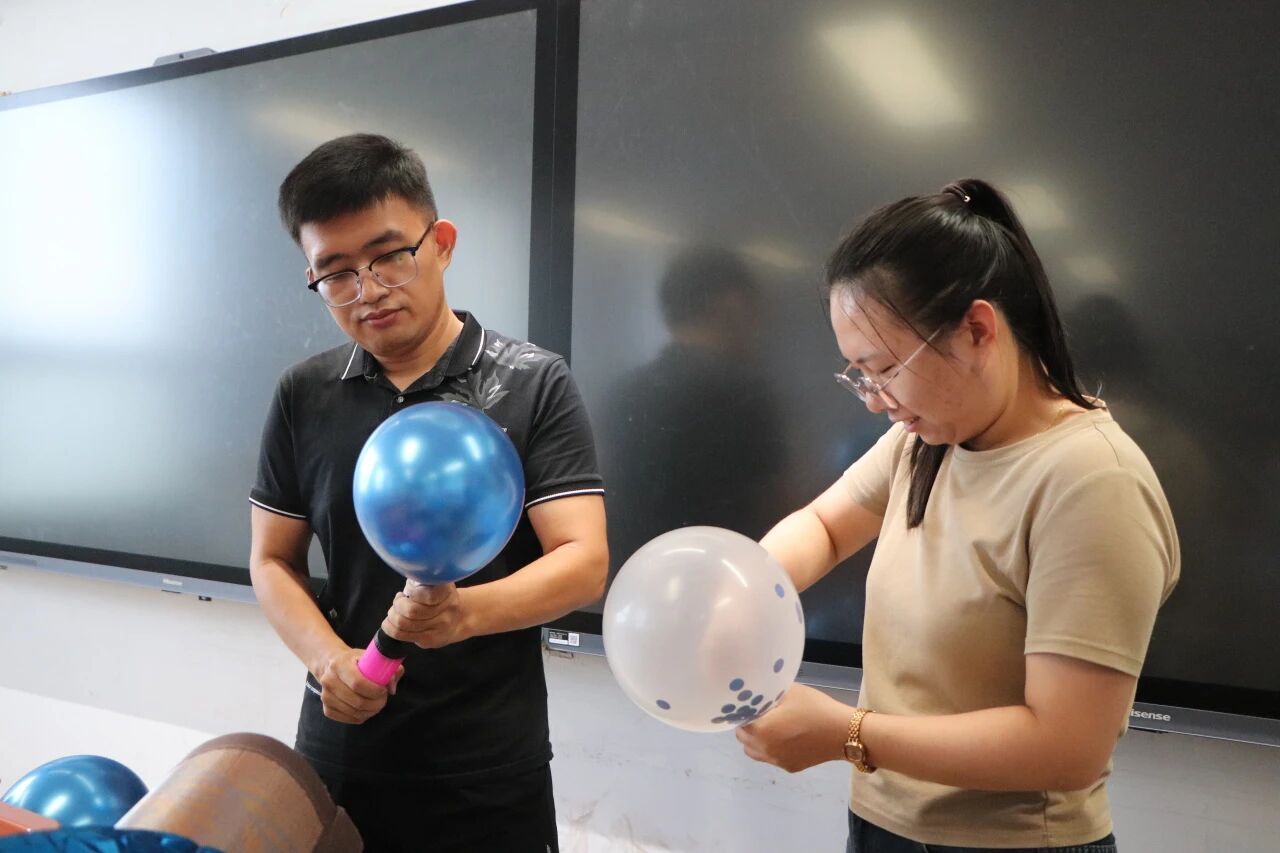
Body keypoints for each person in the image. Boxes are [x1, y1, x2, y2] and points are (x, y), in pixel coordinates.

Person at [735, 178, 1179, 852]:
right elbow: (824, 527)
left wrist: (847, 734)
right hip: (882, 822)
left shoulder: (1092, 481)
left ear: (977, 330)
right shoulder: (925, 440)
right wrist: (747, 587)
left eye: (884, 368)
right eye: (857, 374)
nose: (873, 399)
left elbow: (1066, 746)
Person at [248, 133, 608, 853]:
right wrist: (328, 660)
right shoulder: (304, 393)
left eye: (389, 255)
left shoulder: (532, 382)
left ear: (441, 243)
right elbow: (271, 559)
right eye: (337, 273)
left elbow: (583, 559)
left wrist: (464, 613)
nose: (369, 290)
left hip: (485, 768)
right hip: (339, 757)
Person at [601, 245, 787, 562]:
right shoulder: (745, 393)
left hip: (632, 576)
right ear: (732, 305)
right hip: (725, 575)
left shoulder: (624, 391)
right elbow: (776, 502)